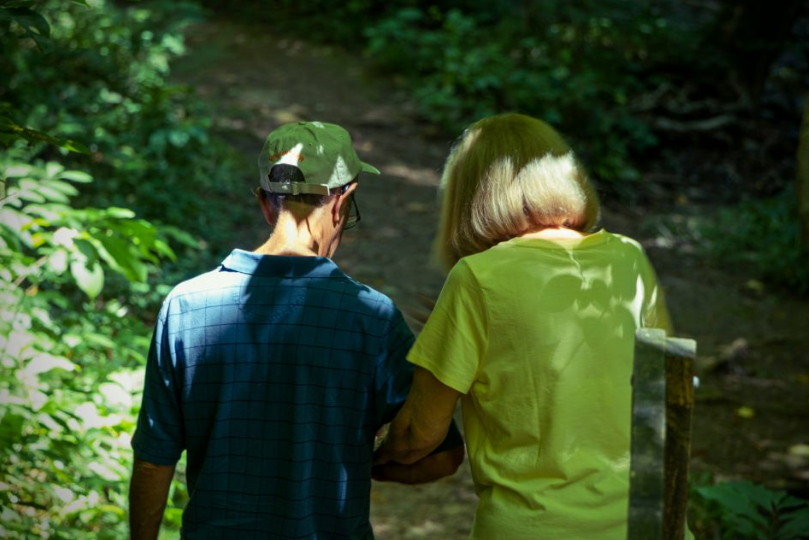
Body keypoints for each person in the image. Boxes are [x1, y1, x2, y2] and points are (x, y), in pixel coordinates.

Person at [129, 121, 464, 540]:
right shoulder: (371, 319)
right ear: (343, 202)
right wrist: (361, 460)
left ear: (263, 203)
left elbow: (152, 458)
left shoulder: (185, 306)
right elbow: (441, 456)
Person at [374, 113, 676, 539]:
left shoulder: (478, 277)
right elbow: (659, 392)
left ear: (470, 196)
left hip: (535, 526)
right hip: (646, 524)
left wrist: (367, 459)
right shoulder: (629, 259)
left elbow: (419, 435)